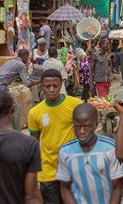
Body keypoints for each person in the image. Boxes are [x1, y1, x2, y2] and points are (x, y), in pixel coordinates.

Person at [28, 69, 81, 204]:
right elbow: (34, 142)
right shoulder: (35, 113)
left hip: (72, 169)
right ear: (41, 86)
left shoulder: (75, 105)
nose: (51, 89)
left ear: (61, 85)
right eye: (47, 86)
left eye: (55, 86)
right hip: (48, 171)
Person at [57, 103, 123, 204]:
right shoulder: (66, 152)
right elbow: (65, 188)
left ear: (96, 124)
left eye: (87, 127)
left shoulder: (109, 149)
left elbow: (117, 187)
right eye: (77, 126)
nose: (82, 131)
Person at [0, 49, 40, 130]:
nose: (28, 59)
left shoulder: (10, 61)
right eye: (28, 57)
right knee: (15, 108)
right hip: (0, 87)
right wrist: (40, 81)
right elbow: (27, 83)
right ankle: (17, 132)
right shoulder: (20, 65)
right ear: (25, 56)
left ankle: (1, 129)